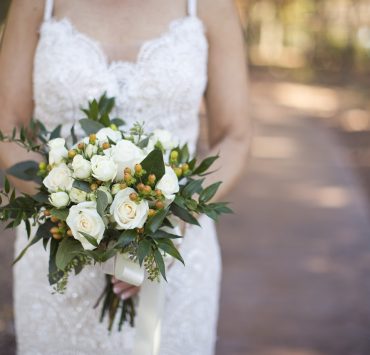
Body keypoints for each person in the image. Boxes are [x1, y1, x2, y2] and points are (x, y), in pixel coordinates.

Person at [0, 0, 250, 353]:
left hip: (175, 250)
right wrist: (76, 212)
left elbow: (235, 136)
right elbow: (8, 126)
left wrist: (170, 220)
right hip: (62, 249)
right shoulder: (35, 5)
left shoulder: (208, 6)